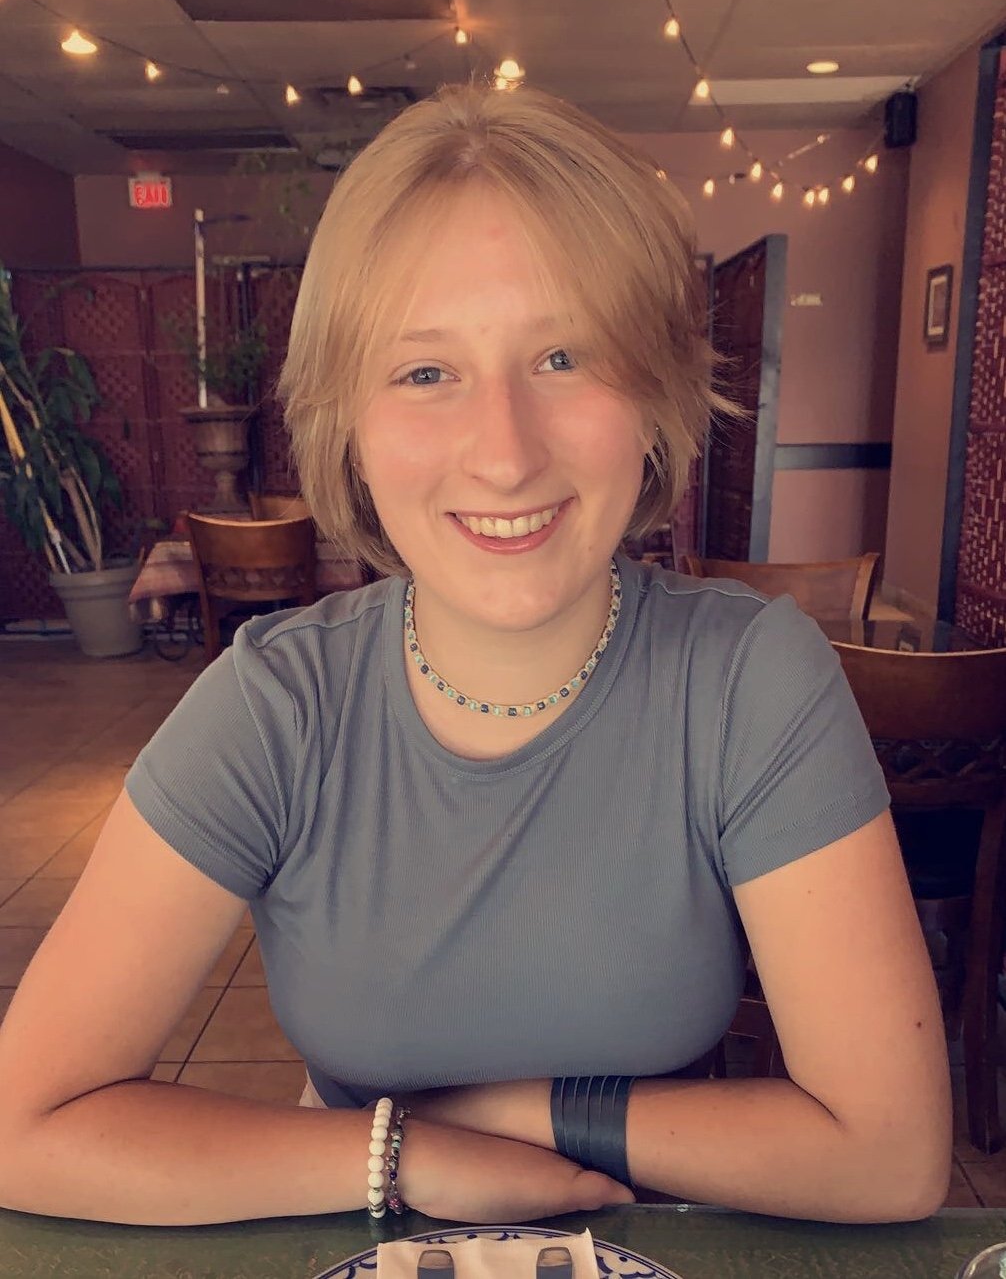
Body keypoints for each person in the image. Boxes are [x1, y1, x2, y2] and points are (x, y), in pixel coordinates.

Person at [0, 83, 950, 1228]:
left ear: (654, 394)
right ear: (347, 421)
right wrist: (406, 1157)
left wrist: (519, 1115)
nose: (504, 453)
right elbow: (23, 1124)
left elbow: (890, 1156)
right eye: (425, 372)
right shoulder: (272, 707)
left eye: (564, 355)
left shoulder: (752, 678)